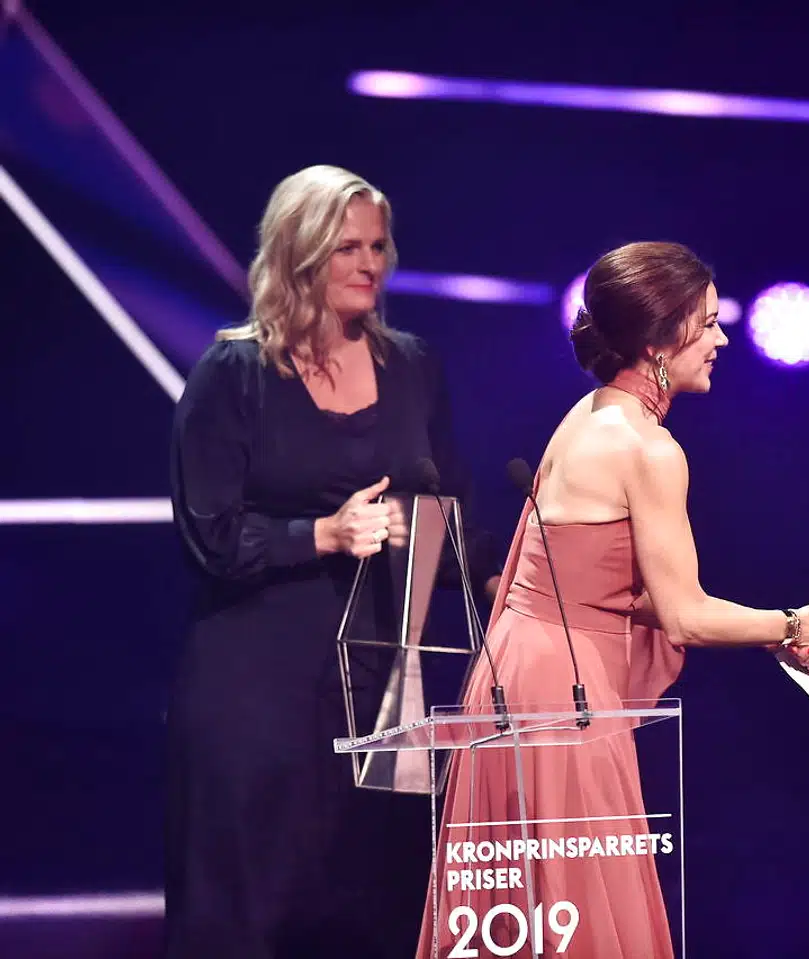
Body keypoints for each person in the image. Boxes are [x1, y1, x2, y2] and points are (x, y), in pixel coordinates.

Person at [417, 241, 809, 958]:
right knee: (574, 907)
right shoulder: (649, 449)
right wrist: (792, 621)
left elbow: (610, 590)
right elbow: (683, 611)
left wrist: (771, 630)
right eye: (710, 324)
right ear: (661, 340)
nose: (722, 340)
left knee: (529, 911)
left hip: (519, 677)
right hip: (564, 696)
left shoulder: (589, 413)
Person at [166, 165, 497, 959]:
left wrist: (508, 570)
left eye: (378, 246)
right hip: (259, 689)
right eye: (347, 246)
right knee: (255, 909)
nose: (369, 264)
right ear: (299, 253)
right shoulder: (233, 373)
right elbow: (207, 535)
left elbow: (451, 522)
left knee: (379, 902)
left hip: (385, 683)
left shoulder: (414, 365)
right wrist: (324, 533)